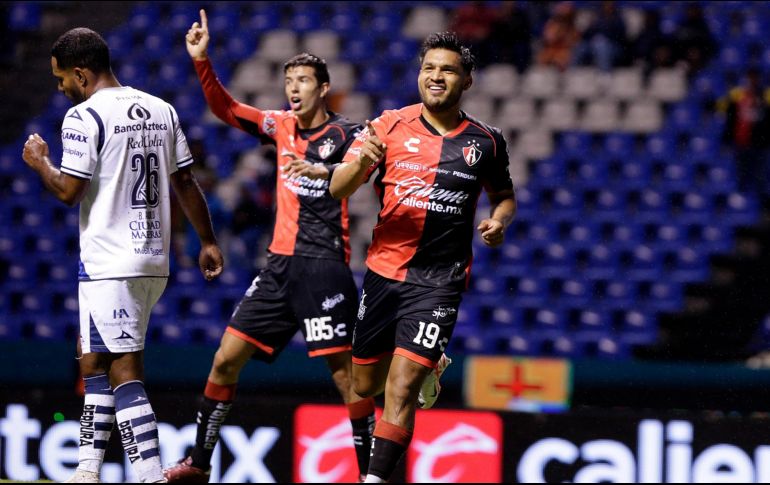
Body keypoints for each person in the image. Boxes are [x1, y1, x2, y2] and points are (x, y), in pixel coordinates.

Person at [163, 10, 375, 482]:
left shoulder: (346, 134)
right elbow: (228, 109)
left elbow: (362, 168)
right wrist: (202, 61)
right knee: (225, 359)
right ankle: (199, 463)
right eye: (289, 81)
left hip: (323, 269)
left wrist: (325, 172)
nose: (293, 88)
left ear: (323, 87)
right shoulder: (279, 126)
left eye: (303, 80)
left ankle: (370, 475)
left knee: (346, 379)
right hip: (278, 268)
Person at [21, 27, 224, 483]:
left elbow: (69, 191)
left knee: (124, 369)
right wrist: (208, 241)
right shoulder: (160, 108)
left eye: (61, 80)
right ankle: (88, 470)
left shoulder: (83, 117)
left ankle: (150, 475)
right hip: (153, 257)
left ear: (80, 73)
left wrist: (39, 162)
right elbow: (185, 182)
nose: (61, 89)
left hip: (110, 260)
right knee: (92, 358)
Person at [329, 31, 516, 482]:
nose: (436, 76)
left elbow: (505, 196)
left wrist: (500, 220)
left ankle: (372, 478)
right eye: (429, 68)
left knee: (402, 385)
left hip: (440, 280)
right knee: (365, 384)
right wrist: (359, 163)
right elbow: (337, 188)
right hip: (383, 271)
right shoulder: (386, 126)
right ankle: (432, 369)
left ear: (466, 81)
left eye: (448, 69)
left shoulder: (486, 142)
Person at [719, 67, 770, 200]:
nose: (752, 81)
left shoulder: (766, 95)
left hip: (761, 144)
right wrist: (726, 139)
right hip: (741, 143)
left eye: (755, 78)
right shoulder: (736, 96)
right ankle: (742, 203)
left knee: (761, 177)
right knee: (742, 175)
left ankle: (761, 208)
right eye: (749, 78)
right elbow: (727, 116)